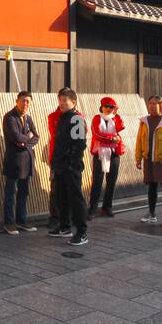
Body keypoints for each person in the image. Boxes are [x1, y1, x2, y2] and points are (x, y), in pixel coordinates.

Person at [47, 87, 88, 245]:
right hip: (59, 166)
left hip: (71, 167)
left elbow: (80, 144)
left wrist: (71, 164)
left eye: (65, 100)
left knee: (75, 199)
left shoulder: (76, 118)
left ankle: (82, 231)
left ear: (73, 102)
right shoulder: (62, 117)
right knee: (61, 197)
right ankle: (65, 227)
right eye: (60, 100)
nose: (62, 103)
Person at [1, 91, 41, 234]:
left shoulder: (28, 118)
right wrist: (27, 138)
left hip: (27, 160)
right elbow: (15, 137)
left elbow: (37, 136)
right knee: (10, 193)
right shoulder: (9, 117)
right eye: (23, 100)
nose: (25, 104)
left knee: (24, 193)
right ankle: (9, 222)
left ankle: (21, 220)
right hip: (14, 161)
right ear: (17, 100)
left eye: (28, 101)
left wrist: (26, 142)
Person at [136, 95, 162, 225]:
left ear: (161, 105)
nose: (152, 106)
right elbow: (139, 140)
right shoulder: (144, 121)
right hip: (149, 159)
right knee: (152, 187)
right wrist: (138, 158)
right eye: (150, 104)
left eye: (155, 104)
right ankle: (152, 214)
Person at [88, 96, 126, 219]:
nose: (109, 109)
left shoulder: (116, 119)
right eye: (106, 106)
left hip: (114, 152)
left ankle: (107, 207)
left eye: (111, 107)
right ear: (102, 107)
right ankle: (93, 208)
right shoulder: (97, 118)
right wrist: (111, 138)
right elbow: (96, 133)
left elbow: (120, 128)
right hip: (100, 152)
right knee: (97, 181)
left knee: (112, 181)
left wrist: (117, 113)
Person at [44, 102, 64, 231]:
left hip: (69, 161)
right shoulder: (54, 119)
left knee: (66, 190)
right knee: (55, 189)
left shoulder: (76, 118)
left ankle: (65, 217)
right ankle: (55, 217)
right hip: (56, 160)